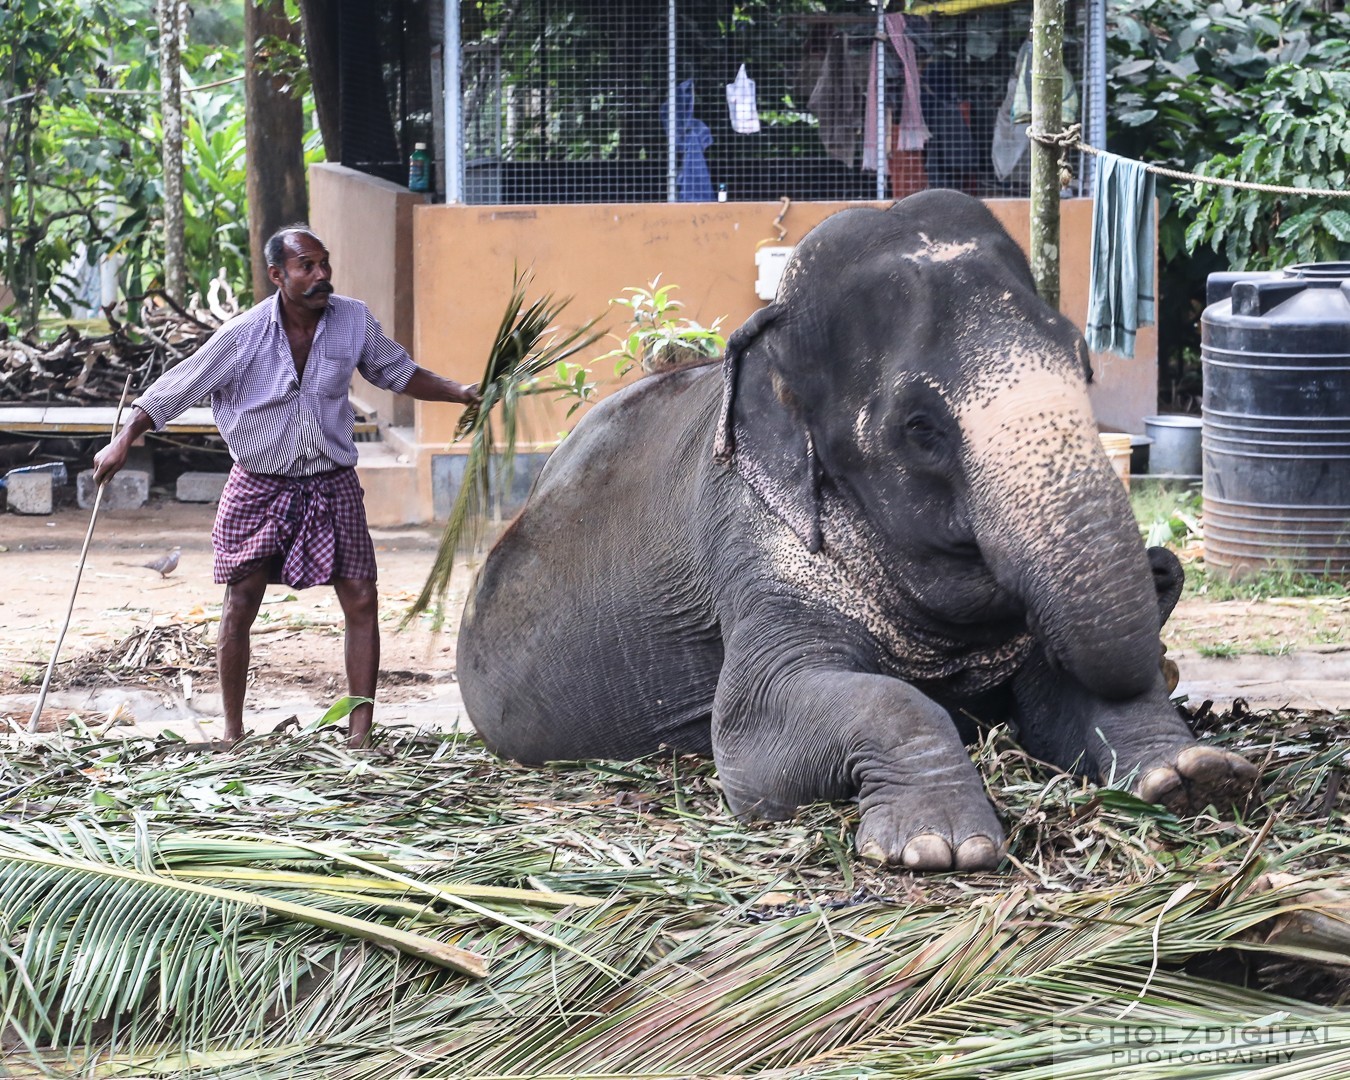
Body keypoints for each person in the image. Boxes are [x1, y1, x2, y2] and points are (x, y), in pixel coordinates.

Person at [93, 225, 479, 748]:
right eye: (307, 267)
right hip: (260, 483)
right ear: (278, 275)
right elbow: (176, 388)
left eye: (324, 264)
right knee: (241, 599)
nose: (321, 275)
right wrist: (123, 440)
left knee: (362, 598)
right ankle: (232, 733)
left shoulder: (353, 320)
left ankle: (360, 736)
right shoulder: (244, 334)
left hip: (331, 480)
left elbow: (399, 372)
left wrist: (460, 392)